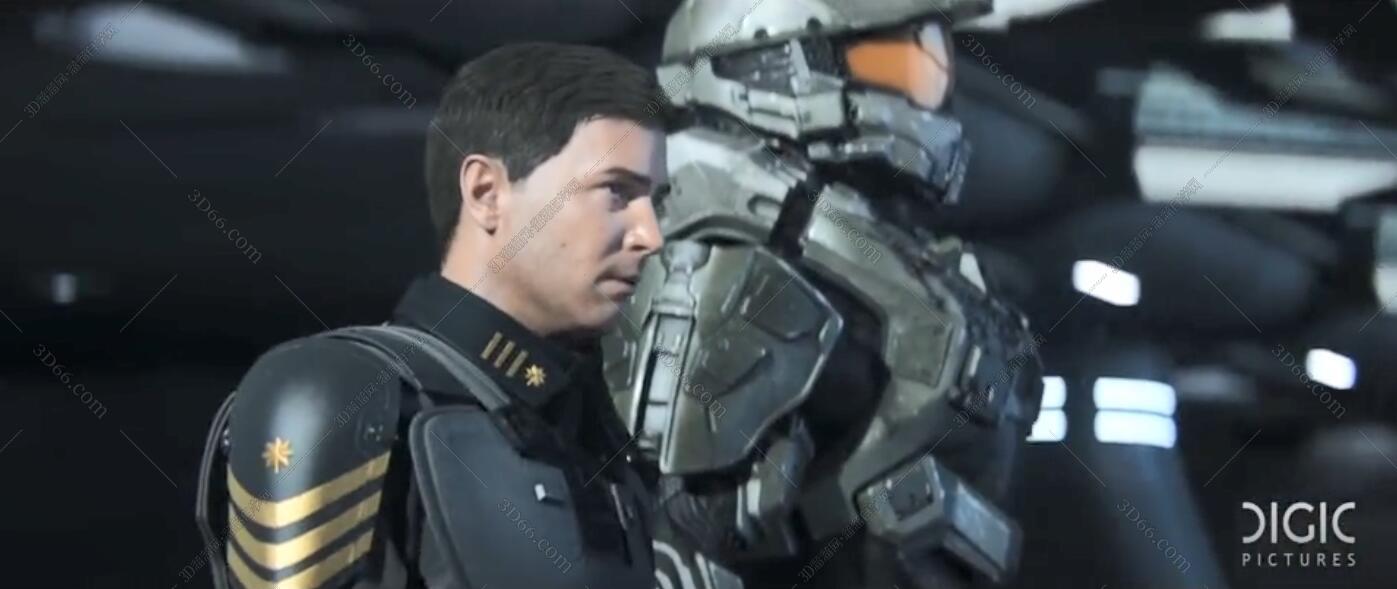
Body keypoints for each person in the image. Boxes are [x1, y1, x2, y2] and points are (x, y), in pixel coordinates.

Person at [601, 1, 1046, 588]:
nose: (923, 93)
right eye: (893, 64)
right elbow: (694, 535)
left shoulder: (855, 243)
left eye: (928, 67)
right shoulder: (725, 244)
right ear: (771, 64)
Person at [197, 42, 670, 589]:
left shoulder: (600, 422)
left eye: (656, 200)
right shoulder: (342, 395)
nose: (650, 235)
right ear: (486, 192)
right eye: (616, 192)